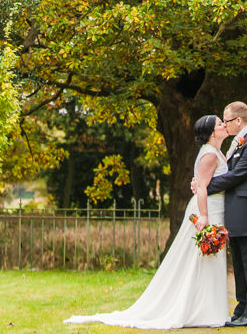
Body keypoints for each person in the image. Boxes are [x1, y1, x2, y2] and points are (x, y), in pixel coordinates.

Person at [64, 114, 230, 328]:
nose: (223, 125)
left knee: (209, 260)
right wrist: (204, 217)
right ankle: (201, 311)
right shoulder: (209, 155)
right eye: (219, 123)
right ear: (211, 132)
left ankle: (207, 309)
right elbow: (201, 188)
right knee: (203, 258)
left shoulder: (217, 152)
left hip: (215, 208)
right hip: (207, 210)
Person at [194, 101, 247, 327]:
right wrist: (202, 182)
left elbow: (236, 176)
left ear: (238, 121)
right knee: (240, 266)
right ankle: (242, 309)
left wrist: (204, 186)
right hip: (238, 214)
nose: (224, 126)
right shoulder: (240, 141)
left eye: (226, 121)